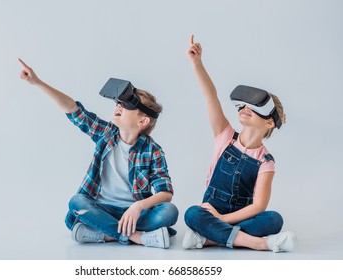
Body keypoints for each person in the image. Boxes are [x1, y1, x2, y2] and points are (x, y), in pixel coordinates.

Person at [18, 58, 178, 249]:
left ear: (143, 121)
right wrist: (38, 82)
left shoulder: (153, 151)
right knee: (77, 202)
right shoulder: (106, 134)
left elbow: (165, 194)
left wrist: (138, 206)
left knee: (169, 212)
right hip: (102, 209)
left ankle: (104, 234)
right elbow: (73, 110)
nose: (118, 106)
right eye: (119, 102)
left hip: (135, 213)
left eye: (127, 106)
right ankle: (138, 237)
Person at [182, 36, 297, 252]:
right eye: (243, 105)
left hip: (237, 215)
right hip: (210, 209)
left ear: (269, 121)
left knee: (274, 219)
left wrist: (222, 219)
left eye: (254, 107)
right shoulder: (225, 136)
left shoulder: (266, 161)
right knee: (192, 214)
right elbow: (211, 99)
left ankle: (209, 238)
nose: (245, 108)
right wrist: (197, 64)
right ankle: (260, 244)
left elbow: (258, 206)